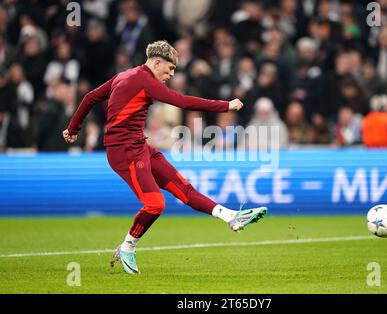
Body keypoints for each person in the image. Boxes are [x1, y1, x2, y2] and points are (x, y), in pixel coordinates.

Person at [62, 41, 268, 275]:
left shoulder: (124, 75)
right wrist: (225, 105)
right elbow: (181, 101)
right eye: (169, 69)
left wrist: (73, 128)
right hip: (123, 151)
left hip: (138, 146)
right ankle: (127, 247)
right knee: (155, 204)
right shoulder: (145, 81)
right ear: (156, 62)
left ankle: (231, 217)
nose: (171, 74)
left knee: (184, 189)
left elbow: (90, 97)